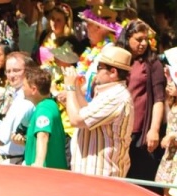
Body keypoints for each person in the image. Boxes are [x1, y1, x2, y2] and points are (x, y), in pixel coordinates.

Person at [60, 44, 134, 177]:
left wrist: (70, 88)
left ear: (113, 72)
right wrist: (75, 87)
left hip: (101, 177)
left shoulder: (116, 96)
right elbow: (86, 112)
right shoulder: (109, 93)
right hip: (91, 174)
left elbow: (76, 120)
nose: (95, 71)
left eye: (99, 67)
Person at [118, 19, 165, 184]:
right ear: (127, 38)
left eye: (146, 39)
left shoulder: (153, 63)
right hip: (118, 130)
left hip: (140, 134)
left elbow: (159, 99)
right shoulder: (118, 59)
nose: (143, 43)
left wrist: (154, 130)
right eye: (139, 39)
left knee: (139, 179)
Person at [20, 65, 67, 169]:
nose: (21, 88)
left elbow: (43, 135)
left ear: (33, 89)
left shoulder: (44, 109)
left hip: (47, 177)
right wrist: (25, 141)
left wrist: (38, 163)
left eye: (23, 85)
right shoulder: (47, 105)